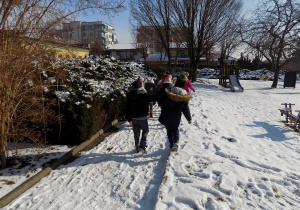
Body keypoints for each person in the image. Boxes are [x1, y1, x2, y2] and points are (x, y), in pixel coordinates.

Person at [157, 75, 192, 152]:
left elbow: (162, 102)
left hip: (167, 114)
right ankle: (176, 141)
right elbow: (185, 109)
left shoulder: (169, 90)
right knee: (175, 129)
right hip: (177, 116)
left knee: (169, 129)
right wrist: (189, 119)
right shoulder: (184, 94)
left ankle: (171, 143)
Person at [126, 76, 156, 153]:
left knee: (136, 133)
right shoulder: (145, 96)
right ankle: (142, 145)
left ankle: (137, 147)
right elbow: (154, 98)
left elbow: (127, 109)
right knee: (145, 130)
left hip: (134, 118)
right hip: (143, 118)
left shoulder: (129, 97)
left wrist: (129, 119)